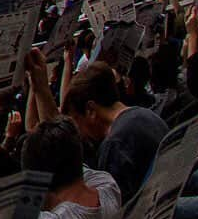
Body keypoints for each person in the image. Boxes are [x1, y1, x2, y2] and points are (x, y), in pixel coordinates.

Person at [61, 59, 169, 202]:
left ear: (90, 110)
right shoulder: (147, 115)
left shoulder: (115, 145)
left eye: (77, 121)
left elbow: (118, 211)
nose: (79, 133)